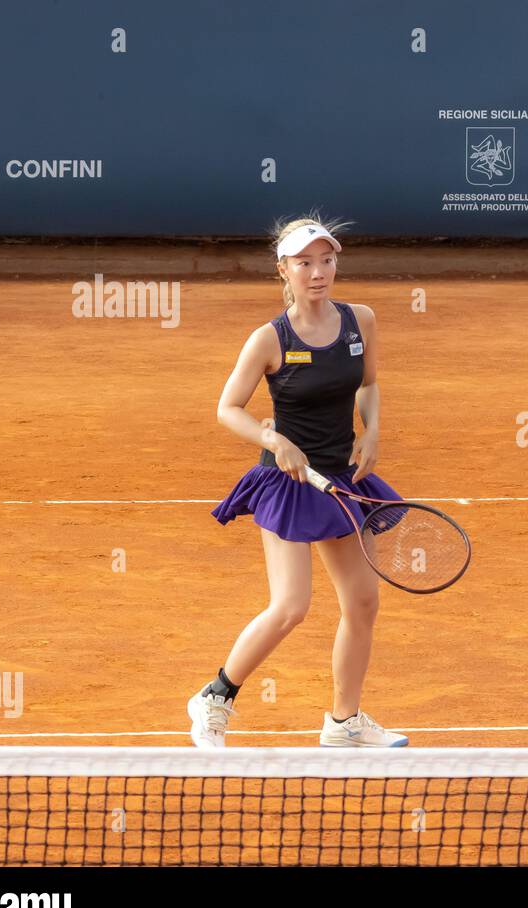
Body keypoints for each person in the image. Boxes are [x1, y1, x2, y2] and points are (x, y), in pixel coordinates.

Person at [188, 216, 408, 748]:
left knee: (362, 602)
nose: (317, 272)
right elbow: (227, 409)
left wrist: (372, 429)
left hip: (342, 479)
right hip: (288, 482)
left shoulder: (361, 321)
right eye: (304, 262)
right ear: (283, 269)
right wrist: (274, 442)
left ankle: (343, 722)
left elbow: (370, 384)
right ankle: (215, 697)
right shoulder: (270, 339)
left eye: (326, 260)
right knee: (291, 605)